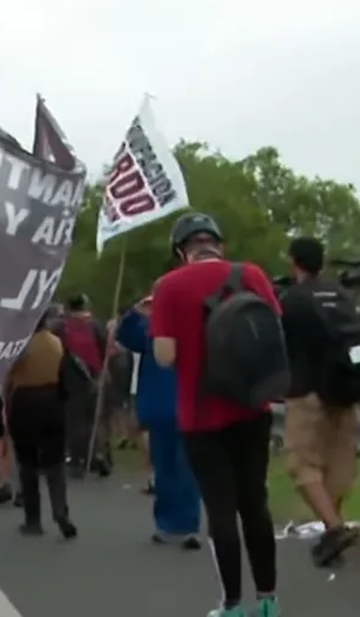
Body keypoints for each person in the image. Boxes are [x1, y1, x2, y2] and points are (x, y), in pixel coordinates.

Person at [150, 212, 280, 617]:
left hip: (201, 415)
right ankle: (268, 602)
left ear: (181, 251)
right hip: (253, 406)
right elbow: (274, 329)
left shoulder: (168, 287)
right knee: (255, 504)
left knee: (220, 509)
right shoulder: (252, 274)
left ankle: (233, 605)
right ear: (218, 244)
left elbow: (165, 357)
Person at [278, 236, 360, 566]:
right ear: (322, 263)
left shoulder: (292, 299)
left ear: (294, 262)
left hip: (308, 390)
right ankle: (332, 533)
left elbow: (279, 344)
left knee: (301, 463)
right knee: (339, 463)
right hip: (347, 389)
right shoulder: (342, 297)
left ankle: (335, 527)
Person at [117, 293, 201, 550]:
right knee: (164, 468)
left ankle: (188, 526)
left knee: (186, 468)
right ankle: (166, 525)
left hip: (187, 407)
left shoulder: (194, 328)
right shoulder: (152, 330)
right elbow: (125, 336)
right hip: (160, 409)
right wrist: (136, 312)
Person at [2, 307, 78, 540]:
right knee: (54, 462)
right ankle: (60, 511)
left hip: (24, 400)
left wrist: (6, 406)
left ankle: (32, 519)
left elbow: (8, 378)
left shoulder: (17, 345)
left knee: (27, 462)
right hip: (51, 400)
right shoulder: (56, 342)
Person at [55, 294, 112, 475]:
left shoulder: (61, 328)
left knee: (75, 419)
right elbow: (106, 348)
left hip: (71, 378)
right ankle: (101, 455)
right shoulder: (95, 325)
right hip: (96, 376)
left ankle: (79, 458)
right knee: (97, 419)